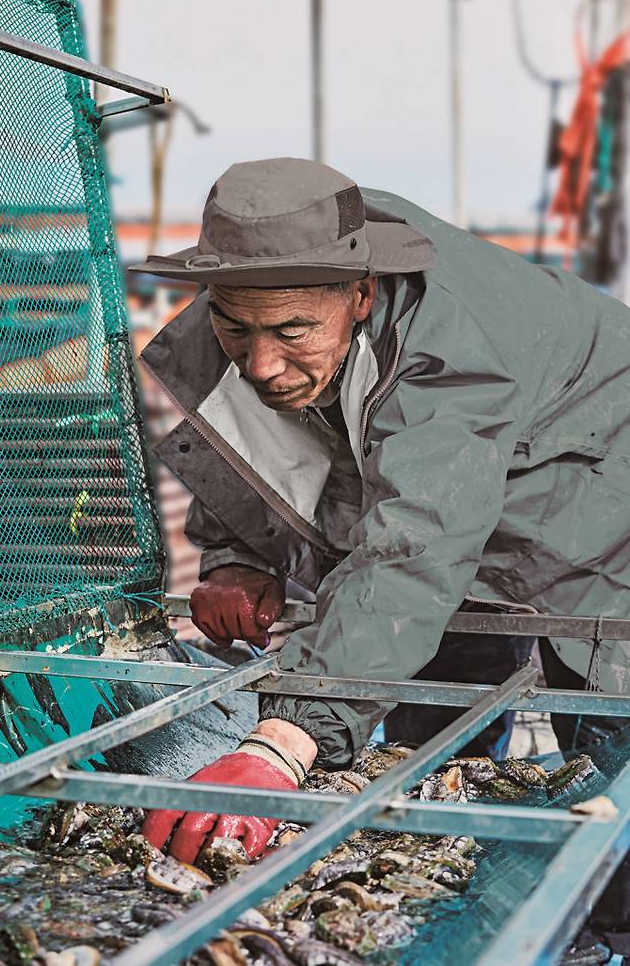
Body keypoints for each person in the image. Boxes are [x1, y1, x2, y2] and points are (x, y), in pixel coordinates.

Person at [132, 157, 629, 946]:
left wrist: (277, 746)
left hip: (600, 505)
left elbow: (416, 545)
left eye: (292, 333)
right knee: (421, 702)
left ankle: (602, 927)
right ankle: (434, 842)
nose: (261, 363)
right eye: (239, 328)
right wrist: (233, 555)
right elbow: (252, 442)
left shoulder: (456, 354)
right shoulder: (255, 294)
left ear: (362, 295)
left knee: (605, 759)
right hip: (450, 503)